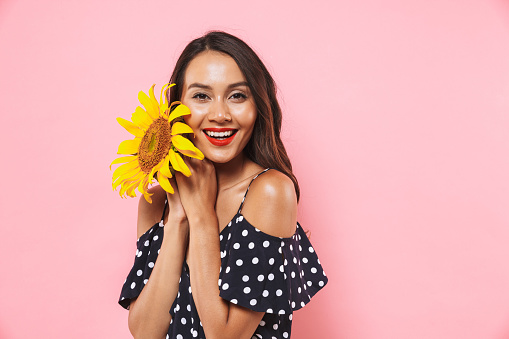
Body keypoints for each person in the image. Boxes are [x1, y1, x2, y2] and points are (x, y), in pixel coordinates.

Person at [119, 31, 327, 339]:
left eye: (237, 96)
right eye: (202, 96)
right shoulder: (157, 201)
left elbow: (225, 336)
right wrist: (178, 217)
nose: (220, 115)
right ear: (176, 108)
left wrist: (201, 215)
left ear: (258, 106)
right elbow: (145, 331)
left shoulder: (269, 191)